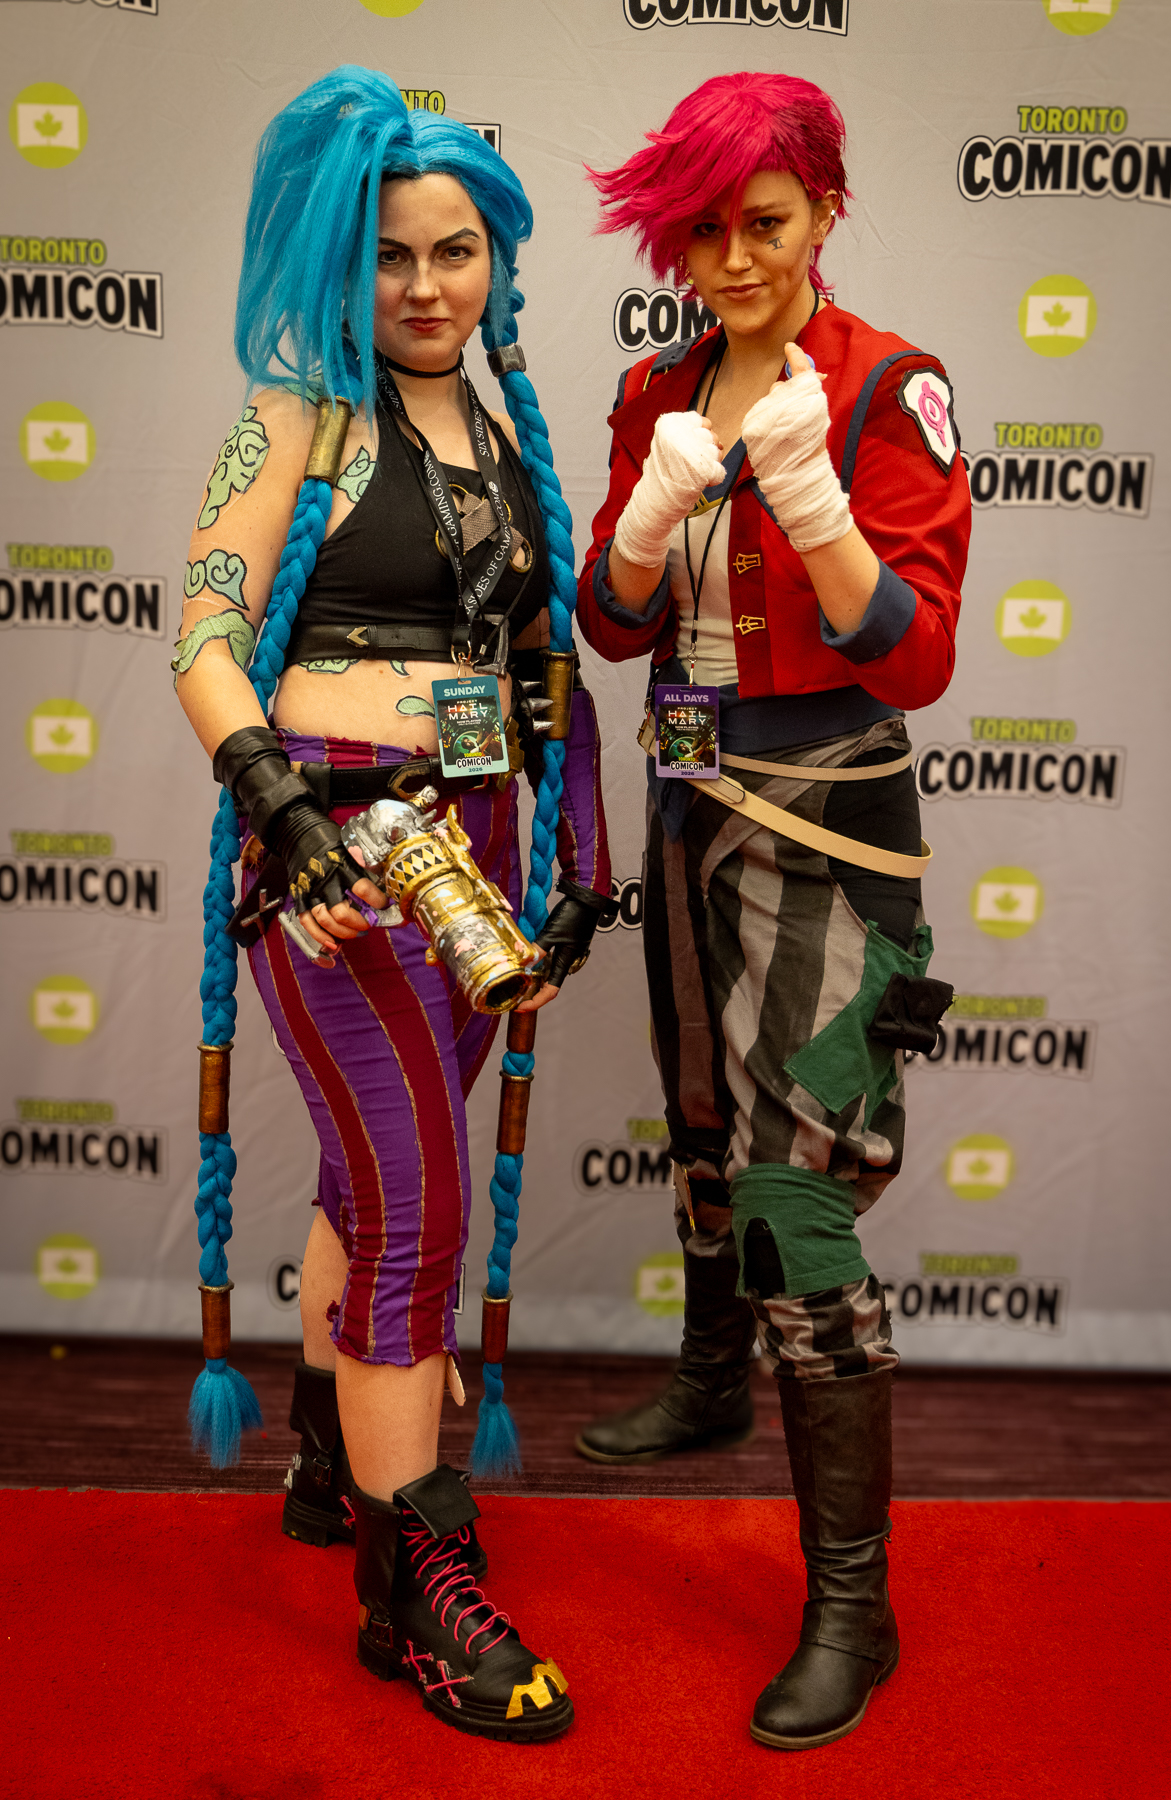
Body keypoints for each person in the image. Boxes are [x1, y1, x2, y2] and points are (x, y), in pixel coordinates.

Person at [175, 67, 614, 1743]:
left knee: (376, 1186)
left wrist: (568, 875)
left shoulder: (500, 435)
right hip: (337, 865)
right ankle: (411, 1589)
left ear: (495, 258)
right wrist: (283, 821)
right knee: (417, 1205)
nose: (427, 287)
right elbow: (202, 635)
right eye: (390, 256)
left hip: (478, 853)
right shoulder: (292, 416)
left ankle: (322, 1455)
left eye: (455, 252)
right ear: (338, 262)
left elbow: (542, 677)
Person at [574, 71, 970, 1749]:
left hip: (826, 819)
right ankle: (706, 1380)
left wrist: (809, 506)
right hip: (684, 794)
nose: (733, 260)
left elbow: (921, 659)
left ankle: (851, 1604)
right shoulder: (652, 389)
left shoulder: (887, 381)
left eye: (765, 223)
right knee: (697, 1119)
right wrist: (646, 522)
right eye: (703, 232)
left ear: (822, 211)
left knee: (797, 1187)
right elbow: (608, 627)